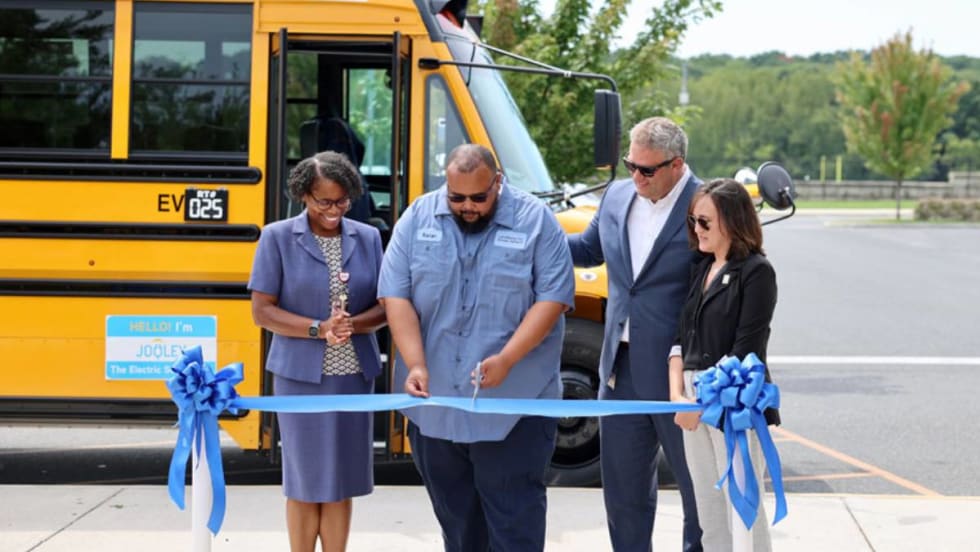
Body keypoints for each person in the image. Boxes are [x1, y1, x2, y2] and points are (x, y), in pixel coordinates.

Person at [377, 143, 575, 551]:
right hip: (436, 409)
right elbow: (395, 296)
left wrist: (507, 359)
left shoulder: (536, 222)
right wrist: (414, 363)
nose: (467, 206)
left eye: (478, 198)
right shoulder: (417, 217)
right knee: (459, 528)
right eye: (457, 197)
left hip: (515, 405)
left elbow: (552, 299)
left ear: (498, 183)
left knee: (513, 525)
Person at [567, 116, 703, 551]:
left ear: (677, 165)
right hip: (618, 371)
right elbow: (587, 250)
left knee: (698, 493)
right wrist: (530, 233)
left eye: (647, 170)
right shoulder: (618, 194)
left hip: (681, 376)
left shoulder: (706, 205)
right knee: (623, 496)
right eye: (630, 165)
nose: (636, 177)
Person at [248, 150, 386, 552]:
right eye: (324, 201)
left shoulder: (369, 237)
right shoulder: (276, 237)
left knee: (341, 481)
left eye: (342, 201)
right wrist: (318, 329)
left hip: (352, 376)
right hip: (300, 378)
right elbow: (263, 311)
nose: (334, 210)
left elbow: (385, 305)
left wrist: (354, 325)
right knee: (305, 481)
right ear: (303, 196)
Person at [669, 178, 780, 552]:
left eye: (705, 222)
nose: (696, 230)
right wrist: (678, 398)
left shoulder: (756, 272)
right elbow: (680, 341)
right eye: (693, 221)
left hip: (735, 406)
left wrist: (699, 401)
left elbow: (746, 350)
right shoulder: (701, 268)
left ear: (731, 222)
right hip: (692, 401)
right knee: (708, 510)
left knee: (743, 511)